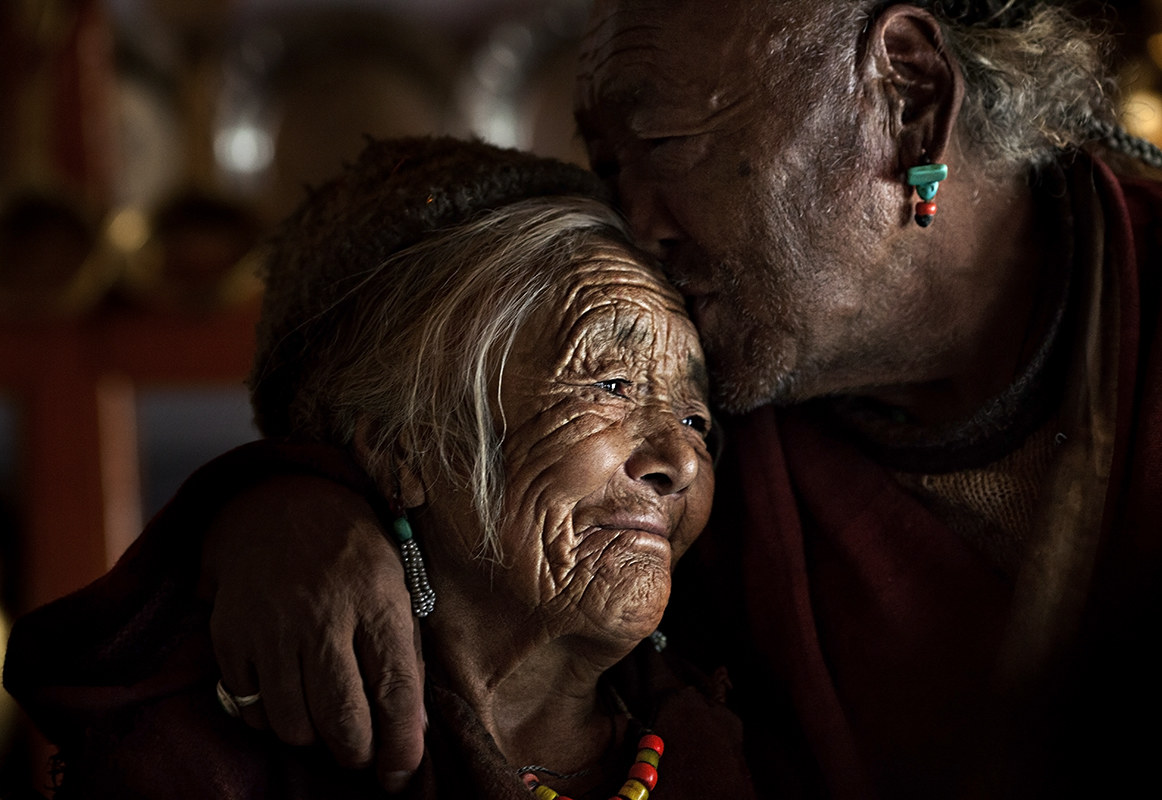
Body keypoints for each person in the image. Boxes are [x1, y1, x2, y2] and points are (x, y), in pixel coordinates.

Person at [16, 0, 1162, 796]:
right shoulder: (728, 357)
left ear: (908, 96)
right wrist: (292, 499)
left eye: (665, 141)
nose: (640, 223)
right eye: (610, 169)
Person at [2, 137, 757, 799]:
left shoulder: (730, 725)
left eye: (696, 418)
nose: (678, 461)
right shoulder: (220, 754)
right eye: (610, 386)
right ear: (405, 450)